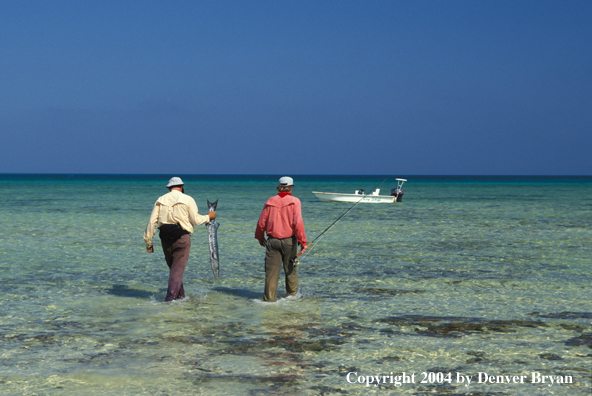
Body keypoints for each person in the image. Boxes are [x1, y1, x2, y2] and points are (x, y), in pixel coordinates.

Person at [144, 177, 216, 302]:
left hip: (165, 239)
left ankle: (181, 297)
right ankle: (170, 301)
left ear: (169, 188)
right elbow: (196, 220)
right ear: (182, 187)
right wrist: (209, 217)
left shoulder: (161, 199)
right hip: (182, 238)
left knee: (175, 270)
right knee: (176, 271)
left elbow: (151, 222)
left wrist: (148, 242)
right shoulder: (188, 199)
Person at [255, 176, 307, 302]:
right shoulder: (295, 201)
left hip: (272, 241)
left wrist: (260, 237)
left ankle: (269, 300)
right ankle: (292, 297)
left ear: (279, 187)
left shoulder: (270, 201)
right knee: (290, 270)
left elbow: (261, 223)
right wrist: (302, 241)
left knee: (271, 273)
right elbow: (298, 223)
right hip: (289, 241)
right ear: (291, 187)